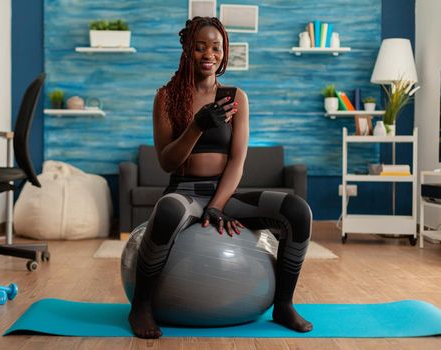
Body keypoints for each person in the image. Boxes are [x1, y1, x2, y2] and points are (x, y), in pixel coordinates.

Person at [128, 16, 313, 339]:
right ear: (187, 51)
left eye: (216, 47)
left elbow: (238, 161)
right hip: (184, 192)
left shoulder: (235, 97)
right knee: (168, 210)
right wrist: (197, 126)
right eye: (200, 47)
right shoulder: (167, 98)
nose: (209, 54)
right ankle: (140, 306)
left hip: (226, 195)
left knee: (297, 210)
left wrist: (217, 205)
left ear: (224, 52)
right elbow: (167, 162)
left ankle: (283, 304)